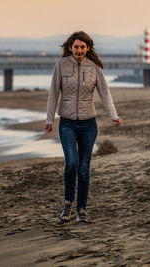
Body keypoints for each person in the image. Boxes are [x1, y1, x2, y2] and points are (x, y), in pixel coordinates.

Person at [45, 31, 122, 223]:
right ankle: (68, 205)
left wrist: (114, 115)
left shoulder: (94, 67)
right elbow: (53, 94)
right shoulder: (61, 65)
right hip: (67, 123)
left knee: (84, 168)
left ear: (87, 48)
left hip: (88, 124)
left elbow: (105, 93)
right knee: (71, 163)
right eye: (76, 47)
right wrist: (49, 119)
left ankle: (82, 210)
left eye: (83, 47)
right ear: (70, 48)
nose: (79, 50)